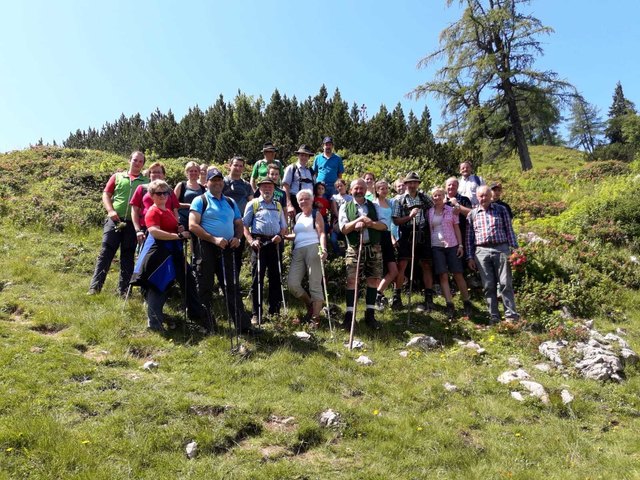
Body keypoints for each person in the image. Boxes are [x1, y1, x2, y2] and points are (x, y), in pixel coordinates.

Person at [132, 180, 206, 332]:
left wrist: (178, 228)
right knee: (158, 285)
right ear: (152, 195)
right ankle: (154, 324)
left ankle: (195, 314)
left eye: (166, 192)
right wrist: (178, 235)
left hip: (172, 252)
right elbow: (154, 232)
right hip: (159, 254)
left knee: (184, 280)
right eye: (159, 193)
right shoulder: (153, 211)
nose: (163, 196)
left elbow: (171, 229)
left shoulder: (166, 210)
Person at [189, 167, 251, 333]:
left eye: (219, 180)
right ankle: (207, 324)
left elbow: (239, 223)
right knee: (205, 286)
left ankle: (243, 326)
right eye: (213, 180)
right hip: (207, 247)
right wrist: (213, 239)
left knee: (232, 286)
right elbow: (192, 225)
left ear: (223, 182)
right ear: (207, 182)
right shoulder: (200, 200)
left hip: (228, 247)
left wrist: (238, 238)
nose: (217, 183)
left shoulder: (230, 202)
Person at [88, 151, 148, 296]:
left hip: (132, 224)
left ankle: (123, 292)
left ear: (143, 164)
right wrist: (110, 210)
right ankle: (94, 288)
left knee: (127, 256)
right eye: (135, 160)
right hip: (114, 221)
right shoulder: (117, 176)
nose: (137, 163)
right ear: (129, 160)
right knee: (106, 253)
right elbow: (106, 194)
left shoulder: (146, 182)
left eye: (140, 161)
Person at [465, 185, 520, 324]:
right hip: (481, 252)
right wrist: (470, 257)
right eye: (480, 196)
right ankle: (494, 316)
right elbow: (469, 238)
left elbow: (509, 229)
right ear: (477, 197)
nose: (483, 198)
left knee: (505, 283)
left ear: (491, 196)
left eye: (486, 195)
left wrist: (515, 249)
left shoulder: (501, 210)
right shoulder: (472, 214)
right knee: (488, 285)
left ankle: (511, 316)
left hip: (501, 249)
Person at [339, 178, 387, 330]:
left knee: (373, 280)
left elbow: (384, 225)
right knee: (352, 281)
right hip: (354, 248)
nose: (359, 191)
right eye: (356, 188)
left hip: (373, 248)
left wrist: (370, 223)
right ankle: (349, 316)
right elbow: (344, 229)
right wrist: (358, 221)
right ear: (350, 190)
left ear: (366, 190)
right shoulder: (345, 206)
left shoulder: (374, 206)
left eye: (362, 188)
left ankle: (370, 315)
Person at [243, 177, 288, 323]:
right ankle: (256, 313)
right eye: (264, 187)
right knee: (257, 279)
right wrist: (251, 241)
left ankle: (274, 311)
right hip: (259, 244)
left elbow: (284, 226)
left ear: (274, 189)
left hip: (275, 244)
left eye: (270, 187)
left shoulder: (278, 206)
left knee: (276, 279)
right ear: (259, 189)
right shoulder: (253, 204)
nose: (267, 189)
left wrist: (281, 236)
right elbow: (244, 226)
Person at [392, 172, 434, 312]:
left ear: (418, 184)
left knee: (426, 264)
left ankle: (429, 297)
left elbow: (434, 207)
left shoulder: (424, 198)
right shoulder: (400, 200)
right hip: (407, 233)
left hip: (423, 233)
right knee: (402, 264)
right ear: (405, 184)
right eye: (409, 182)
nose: (412, 185)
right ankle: (397, 297)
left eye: (415, 182)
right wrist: (410, 217)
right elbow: (396, 220)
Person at [428, 187, 472, 319]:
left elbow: (456, 228)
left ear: (444, 196)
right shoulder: (430, 212)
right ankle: (449, 304)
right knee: (443, 275)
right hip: (436, 246)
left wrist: (460, 245)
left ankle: (466, 302)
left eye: (439, 195)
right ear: (432, 198)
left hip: (452, 245)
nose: (437, 198)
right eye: (435, 196)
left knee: (458, 274)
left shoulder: (451, 210)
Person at [286, 190, 327, 327]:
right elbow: (296, 235)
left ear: (311, 200)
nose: (303, 202)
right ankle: (310, 303)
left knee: (314, 283)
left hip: (313, 248)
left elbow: (321, 233)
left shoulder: (316, 214)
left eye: (306, 199)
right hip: (298, 250)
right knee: (292, 283)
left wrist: (323, 249)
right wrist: (283, 236)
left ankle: (315, 319)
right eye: (300, 200)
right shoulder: (298, 216)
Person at [131, 162, 180, 243]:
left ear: (164, 175)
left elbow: (175, 211)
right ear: (149, 175)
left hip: (168, 229)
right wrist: (138, 230)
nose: (156, 174)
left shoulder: (169, 191)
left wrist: (178, 225)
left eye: (159, 172)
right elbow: (134, 211)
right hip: (147, 228)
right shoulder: (142, 188)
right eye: (153, 172)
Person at [223, 155, 253, 278]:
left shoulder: (246, 185)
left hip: (240, 224)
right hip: (224, 223)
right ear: (230, 166)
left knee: (238, 254)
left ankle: (235, 282)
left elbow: (251, 203)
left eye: (241, 166)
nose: (238, 168)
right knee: (224, 253)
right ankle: (223, 282)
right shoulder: (222, 182)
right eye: (235, 165)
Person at [373, 180, 398, 309]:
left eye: (386, 188)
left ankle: (378, 293)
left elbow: (392, 222)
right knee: (378, 269)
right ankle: (376, 297)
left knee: (394, 270)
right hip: (377, 236)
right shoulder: (373, 204)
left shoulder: (390, 203)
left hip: (388, 235)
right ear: (377, 190)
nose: (384, 190)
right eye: (381, 188)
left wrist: (393, 237)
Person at [282, 144, 315, 217]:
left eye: (306, 155)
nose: (304, 157)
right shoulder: (291, 168)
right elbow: (285, 187)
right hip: (296, 202)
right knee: (297, 225)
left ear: (309, 157)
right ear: (298, 156)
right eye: (302, 155)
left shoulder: (311, 171)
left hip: (309, 202)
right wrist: (289, 204)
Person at [175, 161, 206, 230]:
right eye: (191, 171)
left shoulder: (203, 188)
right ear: (187, 172)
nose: (193, 173)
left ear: (199, 173)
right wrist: (188, 205)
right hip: (182, 219)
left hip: (198, 220)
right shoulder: (182, 185)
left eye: (195, 171)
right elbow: (173, 203)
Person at [329, 178, 352, 256]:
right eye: (338, 186)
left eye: (341, 186)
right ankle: (338, 254)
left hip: (347, 221)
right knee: (333, 240)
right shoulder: (334, 197)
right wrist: (340, 218)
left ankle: (348, 254)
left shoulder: (350, 198)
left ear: (345, 186)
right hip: (336, 222)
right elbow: (335, 210)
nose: (340, 188)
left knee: (347, 240)